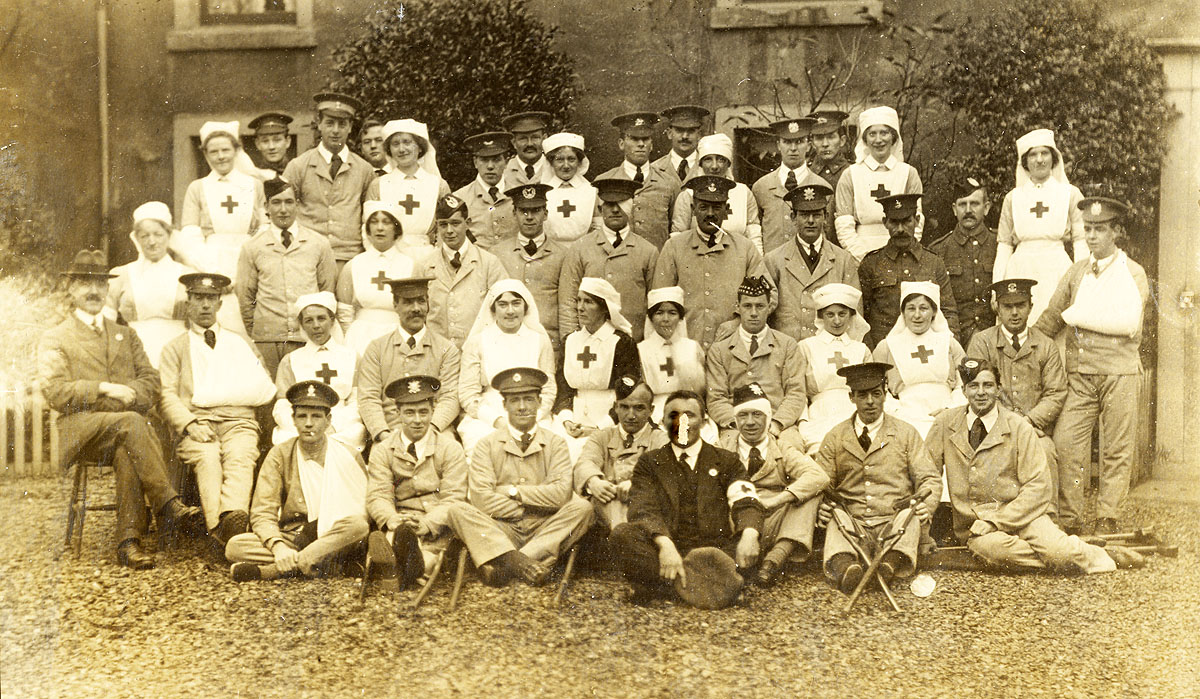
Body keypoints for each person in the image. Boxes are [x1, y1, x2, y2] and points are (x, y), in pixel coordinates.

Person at [38, 249, 204, 569]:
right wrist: (103, 389)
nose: (94, 290)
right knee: (131, 422)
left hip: (124, 430)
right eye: (85, 283)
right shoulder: (55, 337)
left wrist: (126, 399)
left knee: (130, 445)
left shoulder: (125, 334)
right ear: (71, 289)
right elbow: (55, 392)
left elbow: (150, 380)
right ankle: (167, 504)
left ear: (108, 289)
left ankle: (128, 542)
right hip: (80, 429)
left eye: (101, 283)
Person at [927, 359, 1143, 572]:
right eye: (974, 386)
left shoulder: (1019, 427)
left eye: (988, 385)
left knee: (1058, 553)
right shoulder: (945, 424)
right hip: (978, 527)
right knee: (996, 551)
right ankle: (1079, 552)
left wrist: (997, 521)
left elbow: (1038, 487)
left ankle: (1076, 553)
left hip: (1025, 516)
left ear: (998, 389)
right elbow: (928, 476)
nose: (981, 392)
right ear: (964, 390)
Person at [1033, 197, 1150, 535]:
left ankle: (1108, 516)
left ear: (1116, 232)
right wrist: (1025, 346)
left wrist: (1078, 315)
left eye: (1100, 229)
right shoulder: (1077, 271)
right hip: (1081, 375)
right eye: (1088, 229)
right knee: (1068, 443)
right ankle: (1070, 516)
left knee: (1116, 446)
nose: (1093, 236)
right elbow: (1053, 316)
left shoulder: (1133, 272)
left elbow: (1127, 322)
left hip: (1119, 372)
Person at [609, 391, 764, 608]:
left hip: (715, 550)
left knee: (753, 534)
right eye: (674, 415)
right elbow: (643, 508)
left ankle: (669, 589)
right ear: (663, 422)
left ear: (704, 421)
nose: (681, 423)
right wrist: (665, 545)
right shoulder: (650, 463)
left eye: (689, 415)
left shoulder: (726, 460)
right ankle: (713, 587)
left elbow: (745, 499)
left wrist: (749, 534)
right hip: (667, 548)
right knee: (622, 535)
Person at [443, 368, 596, 586]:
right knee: (458, 511)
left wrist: (514, 492)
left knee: (582, 509)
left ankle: (504, 563)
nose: (522, 407)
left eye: (528, 399)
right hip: (501, 527)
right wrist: (537, 503)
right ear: (504, 405)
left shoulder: (556, 443)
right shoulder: (486, 446)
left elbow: (561, 495)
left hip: (544, 526)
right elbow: (482, 500)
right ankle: (522, 563)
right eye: (515, 400)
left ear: (539, 403)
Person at [159, 273, 277, 550]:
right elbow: (165, 394)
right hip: (199, 423)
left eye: (211, 299)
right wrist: (188, 425)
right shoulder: (174, 348)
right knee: (209, 457)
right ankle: (220, 530)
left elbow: (262, 382)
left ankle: (232, 520)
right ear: (188, 303)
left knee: (241, 455)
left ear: (220, 304)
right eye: (198, 298)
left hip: (240, 421)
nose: (204, 305)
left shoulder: (239, 343)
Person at [227, 380, 370, 582]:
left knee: (358, 527)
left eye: (316, 417)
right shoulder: (280, 455)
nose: (309, 423)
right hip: (294, 537)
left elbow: (363, 509)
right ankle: (326, 562)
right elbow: (263, 510)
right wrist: (278, 546)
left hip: (334, 532)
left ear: (328, 420)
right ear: (293, 419)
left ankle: (273, 572)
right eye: (302, 416)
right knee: (235, 546)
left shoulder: (347, 454)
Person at [816, 362, 939, 594]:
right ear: (852, 397)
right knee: (836, 515)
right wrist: (821, 507)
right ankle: (846, 569)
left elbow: (929, 478)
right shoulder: (835, 436)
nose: (870, 402)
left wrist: (927, 506)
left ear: (885, 395)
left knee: (909, 514)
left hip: (893, 522)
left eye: (876, 394)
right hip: (854, 523)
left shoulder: (906, 433)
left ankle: (888, 566)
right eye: (863, 395)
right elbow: (819, 482)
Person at [967, 278, 1066, 512]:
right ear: (996, 308)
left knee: (1046, 452)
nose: (1014, 313)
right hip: (993, 429)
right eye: (1007, 307)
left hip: (1034, 430)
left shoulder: (1045, 345)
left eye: (1020, 305)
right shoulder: (982, 342)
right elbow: (979, 391)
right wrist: (1010, 423)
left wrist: (1028, 422)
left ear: (1031, 306)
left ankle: (1047, 517)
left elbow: (1056, 392)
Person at [718, 383, 829, 587]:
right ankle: (737, 558)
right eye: (743, 415)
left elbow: (818, 476)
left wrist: (777, 500)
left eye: (757, 415)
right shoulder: (723, 448)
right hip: (737, 521)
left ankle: (775, 560)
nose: (750, 422)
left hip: (775, 519)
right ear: (735, 420)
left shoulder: (780, 446)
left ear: (769, 419)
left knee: (810, 494)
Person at [365, 375, 469, 588]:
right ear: (398, 413)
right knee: (399, 535)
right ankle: (403, 564)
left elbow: (453, 497)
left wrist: (427, 523)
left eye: (423, 412)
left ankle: (401, 568)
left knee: (433, 550)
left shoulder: (450, 448)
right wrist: (392, 519)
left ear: (433, 411)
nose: (417, 420)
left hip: (437, 522)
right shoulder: (383, 450)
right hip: (401, 520)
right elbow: (378, 495)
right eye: (410, 413)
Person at [653, 175, 770, 351]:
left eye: (716, 208)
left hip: (733, 346)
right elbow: (659, 299)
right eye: (703, 207)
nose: (710, 214)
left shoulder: (745, 248)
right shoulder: (674, 247)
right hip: (685, 346)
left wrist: (740, 320)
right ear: (693, 209)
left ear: (727, 209)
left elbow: (768, 292)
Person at [236, 177, 337, 378]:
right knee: (271, 394)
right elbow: (246, 296)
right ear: (266, 206)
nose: (283, 209)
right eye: (276, 202)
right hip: (268, 338)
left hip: (306, 335)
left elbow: (327, 291)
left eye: (289, 202)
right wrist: (261, 330)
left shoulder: (318, 244)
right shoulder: (253, 247)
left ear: (297, 205)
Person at [174, 120, 266, 337]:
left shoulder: (254, 185)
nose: (221, 156)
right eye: (213, 151)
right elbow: (190, 236)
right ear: (205, 155)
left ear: (236, 151)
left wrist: (244, 272)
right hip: (210, 264)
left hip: (248, 262)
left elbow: (263, 229)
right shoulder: (197, 188)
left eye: (226, 150)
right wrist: (216, 274)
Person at [993, 128, 1087, 324]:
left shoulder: (1070, 194)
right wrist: (997, 287)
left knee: (1055, 325)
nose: (1040, 159)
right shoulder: (1013, 198)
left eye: (1044, 153)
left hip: (1057, 270)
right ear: (1025, 162)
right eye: (1033, 155)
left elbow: (1081, 242)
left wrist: (1082, 284)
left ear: (1053, 158)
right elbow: (1004, 246)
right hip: (1020, 270)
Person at [355, 276, 461, 446]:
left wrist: (431, 431)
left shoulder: (446, 349)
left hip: (435, 431)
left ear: (428, 303)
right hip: (391, 431)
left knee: (450, 454)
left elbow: (450, 397)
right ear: (395, 305)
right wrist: (383, 434)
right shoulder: (377, 349)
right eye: (408, 302)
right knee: (381, 461)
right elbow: (368, 398)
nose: (416, 308)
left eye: (421, 301)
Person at [457, 279, 557, 455]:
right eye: (503, 305)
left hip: (533, 413)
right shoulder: (478, 341)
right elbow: (467, 393)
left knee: (546, 449)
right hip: (489, 415)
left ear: (525, 307)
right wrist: (498, 421)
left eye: (516, 303)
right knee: (483, 448)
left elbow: (548, 389)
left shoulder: (540, 339)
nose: (510, 311)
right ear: (493, 309)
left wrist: (533, 417)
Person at [706, 276, 808, 441]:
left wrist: (776, 424)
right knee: (728, 455)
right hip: (736, 426)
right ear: (738, 308)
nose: (754, 313)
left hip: (778, 425)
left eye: (760, 306)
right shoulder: (719, 350)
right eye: (747, 306)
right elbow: (716, 397)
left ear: (769, 308)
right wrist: (737, 424)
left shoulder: (787, 345)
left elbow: (796, 393)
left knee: (792, 451)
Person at [559, 176, 659, 342]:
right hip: (589, 343)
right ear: (600, 209)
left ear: (632, 208)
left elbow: (655, 303)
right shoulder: (580, 248)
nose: (615, 210)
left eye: (622, 204)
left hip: (633, 342)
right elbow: (568, 300)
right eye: (610, 204)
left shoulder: (648, 251)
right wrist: (570, 340)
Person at [283, 92, 376, 269]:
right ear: (319, 124)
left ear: (350, 127)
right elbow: (283, 209)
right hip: (307, 257)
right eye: (329, 123)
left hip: (349, 258)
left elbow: (370, 216)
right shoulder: (299, 166)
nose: (335, 130)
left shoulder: (364, 170)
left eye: (342, 124)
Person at [553, 277, 642, 459]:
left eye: (588, 302)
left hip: (610, 419)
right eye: (578, 300)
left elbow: (628, 394)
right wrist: (567, 420)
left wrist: (599, 426)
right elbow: (563, 388)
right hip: (573, 420)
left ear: (604, 308)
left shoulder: (621, 343)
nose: (580, 307)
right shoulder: (570, 341)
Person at [858, 193, 958, 348]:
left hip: (926, 350)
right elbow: (861, 317)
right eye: (894, 222)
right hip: (885, 349)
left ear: (917, 221)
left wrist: (949, 349)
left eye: (906, 221)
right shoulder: (871, 264)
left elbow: (948, 311)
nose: (900, 229)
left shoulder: (934, 262)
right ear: (885, 222)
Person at [763, 182, 860, 341]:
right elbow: (766, 312)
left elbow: (855, 315)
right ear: (793, 217)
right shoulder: (774, 260)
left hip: (829, 349)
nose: (810, 221)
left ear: (826, 217)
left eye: (816, 215)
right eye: (804, 215)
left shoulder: (843, 260)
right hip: (789, 348)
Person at [872, 281, 966, 440]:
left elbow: (965, 382)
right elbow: (876, 387)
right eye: (911, 308)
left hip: (948, 415)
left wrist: (951, 409)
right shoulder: (887, 346)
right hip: (904, 417)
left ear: (934, 312)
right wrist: (898, 412)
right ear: (902, 312)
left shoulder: (949, 343)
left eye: (923, 308)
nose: (917, 315)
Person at [272, 292, 365, 452]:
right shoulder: (291, 360)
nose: (316, 325)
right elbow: (283, 404)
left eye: (321, 318)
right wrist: (302, 428)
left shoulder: (351, 356)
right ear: (301, 324)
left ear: (332, 320)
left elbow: (356, 401)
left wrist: (332, 426)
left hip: (340, 423)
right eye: (309, 320)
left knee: (355, 432)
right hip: (302, 423)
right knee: (285, 439)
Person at [105, 202, 193, 368]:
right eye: (145, 236)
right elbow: (105, 323)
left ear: (169, 235)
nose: (152, 242)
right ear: (136, 238)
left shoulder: (187, 274)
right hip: (133, 354)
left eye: (158, 234)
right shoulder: (121, 275)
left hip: (179, 354)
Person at [573, 377, 668, 531]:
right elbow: (585, 462)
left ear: (651, 410)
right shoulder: (602, 436)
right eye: (624, 407)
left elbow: (664, 470)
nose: (631, 415)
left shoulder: (659, 438)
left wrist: (637, 484)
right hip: (603, 510)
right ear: (615, 407)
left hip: (643, 510)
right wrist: (593, 481)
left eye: (639, 408)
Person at [415, 194, 508, 348]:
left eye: (455, 223)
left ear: (467, 223)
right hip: (437, 351)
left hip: (478, 350)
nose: (449, 230)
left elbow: (502, 308)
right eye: (443, 225)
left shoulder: (489, 263)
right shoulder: (424, 265)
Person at [834, 106, 924, 261]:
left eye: (884, 133)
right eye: (872, 134)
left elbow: (917, 221)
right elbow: (843, 225)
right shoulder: (850, 175)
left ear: (894, 136)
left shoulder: (909, 173)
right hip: (860, 256)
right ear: (865, 139)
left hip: (901, 254)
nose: (878, 140)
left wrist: (902, 254)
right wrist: (865, 258)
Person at [796, 283, 872, 454]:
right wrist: (803, 421)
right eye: (830, 315)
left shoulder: (861, 349)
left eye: (842, 314)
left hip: (855, 412)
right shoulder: (806, 347)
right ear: (822, 316)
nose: (836, 321)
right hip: (819, 415)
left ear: (851, 316)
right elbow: (798, 390)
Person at [492, 183, 567, 352]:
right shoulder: (497, 254)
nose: (529, 217)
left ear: (546, 214)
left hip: (548, 343)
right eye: (523, 211)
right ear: (514, 213)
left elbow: (566, 304)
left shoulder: (563, 254)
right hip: (507, 343)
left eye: (536, 211)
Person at [336, 201, 417, 356]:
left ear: (396, 229)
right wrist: (352, 338)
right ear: (367, 229)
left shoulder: (410, 265)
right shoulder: (354, 265)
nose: (379, 228)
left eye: (386, 222)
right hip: (360, 338)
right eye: (374, 222)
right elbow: (344, 310)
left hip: (399, 335)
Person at [635, 287, 714, 438]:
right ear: (651, 318)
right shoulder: (641, 350)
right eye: (659, 313)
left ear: (680, 317)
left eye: (672, 313)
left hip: (690, 409)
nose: (666, 319)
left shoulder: (692, 347)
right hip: (656, 413)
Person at [930, 176, 998, 347]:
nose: (968, 210)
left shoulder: (999, 245)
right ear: (954, 209)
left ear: (987, 207)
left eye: (974, 204)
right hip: (957, 338)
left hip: (994, 334)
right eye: (962, 204)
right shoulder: (939, 250)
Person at [365, 119, 453, 252]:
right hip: (390, 255)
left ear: (419, 147)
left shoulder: (438, 185)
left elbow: (448, 225)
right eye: (395, 144)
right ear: (389, 150)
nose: (401, 149)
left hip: (427, 255)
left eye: (407, 142)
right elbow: (368, 227)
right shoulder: (378, 184)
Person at [672, 133, 762, 253]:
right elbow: (678, 237)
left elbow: (753, 234)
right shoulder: (688, 195)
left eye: (720, 159)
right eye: (708, 159)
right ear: (701, 163)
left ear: (728, 163)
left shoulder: (743, 192)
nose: (714, 166)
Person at [595, 112, 672, 249]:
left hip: (657, 263)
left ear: (652, 144)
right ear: (621, 144)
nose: (641, 144)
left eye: (646, 138)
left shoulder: (668, 183)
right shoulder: (605, 182)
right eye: (634, 139)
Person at [751, 116, 826, 254]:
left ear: (808, 145)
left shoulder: (822, 187)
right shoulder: (761, 187)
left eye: (799, 142)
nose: (793, 148)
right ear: (778, 145)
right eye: (787, 142)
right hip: (772, 269)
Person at [454, 131, 518, 250]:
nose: (490, 166)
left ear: (506, 162)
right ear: (475, 162)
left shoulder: (518, 195)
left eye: (496, 159)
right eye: (484, 160)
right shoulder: (459, 198)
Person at [542, 132, 598, 245]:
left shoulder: (591, 191)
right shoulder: (542, 192)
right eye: (559, 160)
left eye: (571, 159)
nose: (566, 166)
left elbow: (598, 228)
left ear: (579, 162)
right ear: (551, 162)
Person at [805, 109, 852, 242]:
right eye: (819, 138)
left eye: (831, 137)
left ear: (842, 141)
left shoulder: (852, 173)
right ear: (812, 143)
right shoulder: (806, 174)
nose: (825, 144)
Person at [501, 111, 553, 186]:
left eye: (535, 137)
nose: (529, 144)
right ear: (514, 143)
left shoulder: (554, 169)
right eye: (523, 139)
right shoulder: (503, 172)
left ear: (544, 139)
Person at [248, 112, 294, 177]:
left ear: (287, 141)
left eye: (277, 140)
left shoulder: (298, 173)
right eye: (265, 141)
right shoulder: (253, 176)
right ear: (257, 144)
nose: (271, 147)